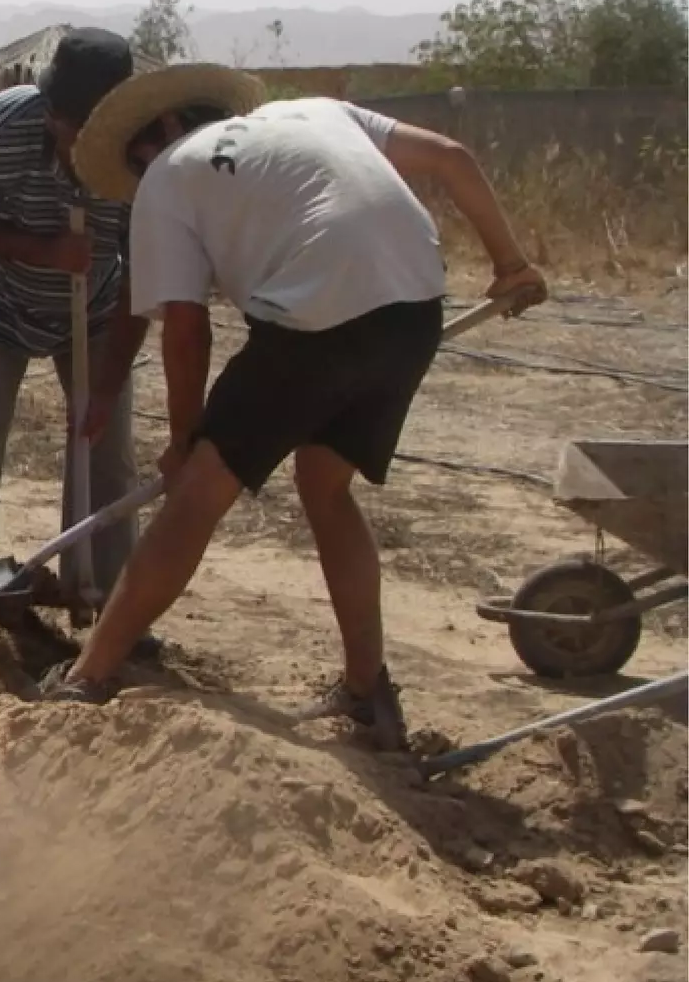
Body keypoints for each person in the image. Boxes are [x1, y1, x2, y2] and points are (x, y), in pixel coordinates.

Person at [36, 64, 549, 749]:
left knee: (195, 498)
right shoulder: (318, 111)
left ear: (155, 136)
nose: (138, 172)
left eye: (135, 160)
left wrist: (188, 438)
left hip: (315, 318)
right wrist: (510, 263)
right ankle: (367, 692)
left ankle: (88, 676)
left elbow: (186, 329)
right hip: (412, 308)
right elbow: (452, 160)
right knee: (325, 484)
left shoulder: (166, 176)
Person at [0, 26, 152, 617]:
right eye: (71, 125)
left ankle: (107, 605)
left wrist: (106, 388)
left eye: (96, 130)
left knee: (106, 454)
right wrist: (41, 250)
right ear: (51, 109)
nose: (79, 142)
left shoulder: (144, 162)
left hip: (99, 310)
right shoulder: (0, 125)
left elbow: (143, 282)